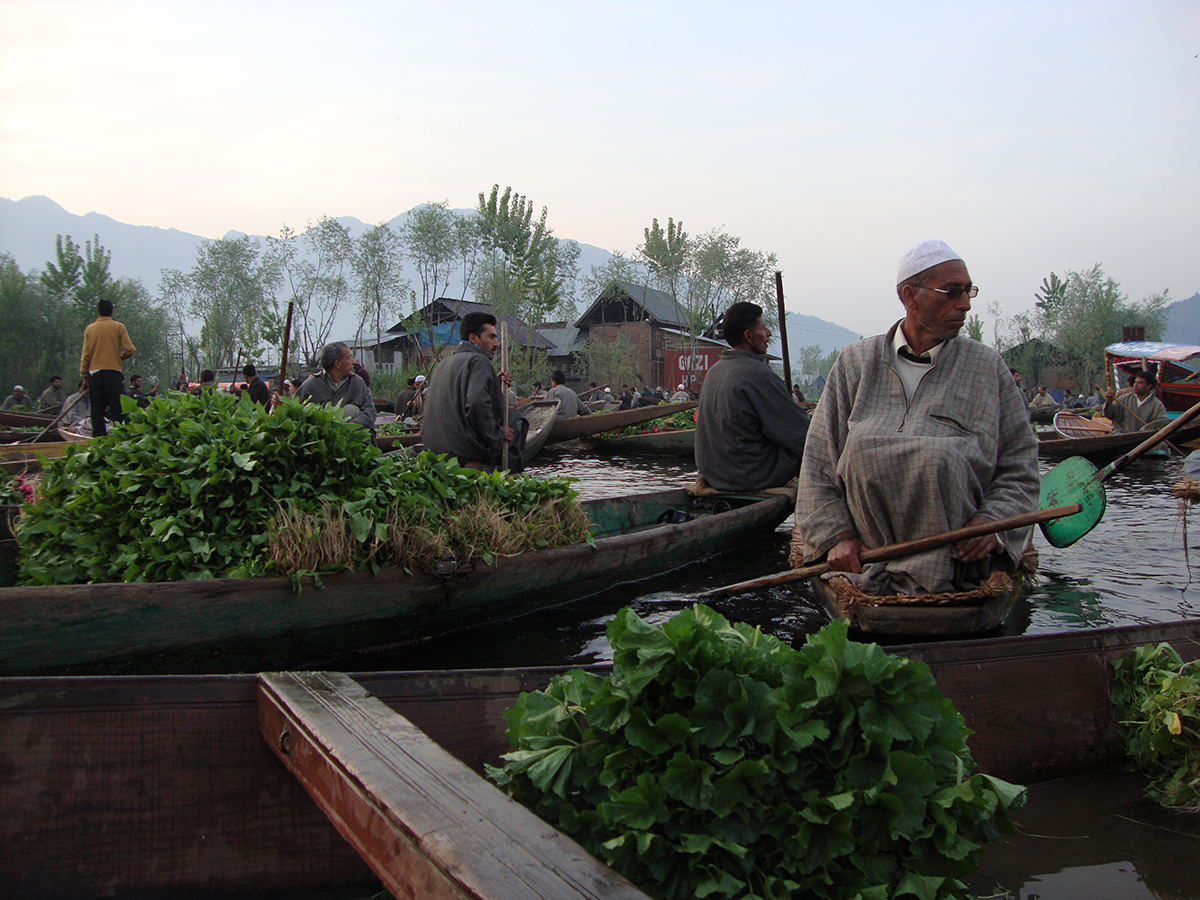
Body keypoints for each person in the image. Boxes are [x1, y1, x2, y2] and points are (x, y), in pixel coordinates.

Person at [793, 239, 1038, 596]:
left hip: (959, 572)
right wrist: (837, 537)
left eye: (969, 291)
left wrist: (992, 523)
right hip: (864, 566)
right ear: (910, 296)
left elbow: (1020, 465)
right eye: (952, 292)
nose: (966, 304)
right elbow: (818, 465)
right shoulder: (855, 363)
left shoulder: (987, 368)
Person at [694, 302, 811, 492]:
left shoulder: (714, 371)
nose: (769, 334)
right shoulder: (759, 374)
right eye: (764, 328)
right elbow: (801, 432)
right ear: (749, 336)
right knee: (812, 443)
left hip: (714, 475)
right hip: (748, 477)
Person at [421, 311, 520, 471]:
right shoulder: (479, 361)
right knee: (517, 418)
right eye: (491, 337)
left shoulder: (444, 363)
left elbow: (459, 394)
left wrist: (493, 382)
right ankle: (501, 473)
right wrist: (498, 433)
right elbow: (476, 403)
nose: (496, 343)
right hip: (462, 450)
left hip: (435, 449)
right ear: (473, 338)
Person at [79, 298, 136, 436]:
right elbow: (130, 349)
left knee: (97, 410)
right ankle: (121, 437)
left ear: (98, 312)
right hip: (113, 372)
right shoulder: (118, 327)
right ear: (111, 311)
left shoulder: (90, 329)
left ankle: (98, 440)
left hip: (94, 373)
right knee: (118, 408)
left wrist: (84, 376)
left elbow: (85, 355)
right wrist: (120, 357)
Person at [296, 341, 376, 433]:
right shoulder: (310, 385)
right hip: (323, 439)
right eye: (349, 358)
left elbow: (370, 411)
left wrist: (353, 424)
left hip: (355, 438)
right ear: (338, 364)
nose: (352, 362)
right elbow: (295, 411)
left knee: (350, 410)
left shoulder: (357, 382)